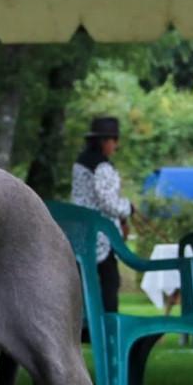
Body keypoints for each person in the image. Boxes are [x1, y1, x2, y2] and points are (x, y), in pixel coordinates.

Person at [70, 116, 132, 314]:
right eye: (114, 141)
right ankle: (108, 327)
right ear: (106, 141)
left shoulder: (79, 164)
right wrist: (127, 208)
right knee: (110, 283)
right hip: (101, 236)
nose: (116, 145)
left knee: (83, 282)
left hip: (81, 232)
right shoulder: (102, 167)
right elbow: (108, 203)